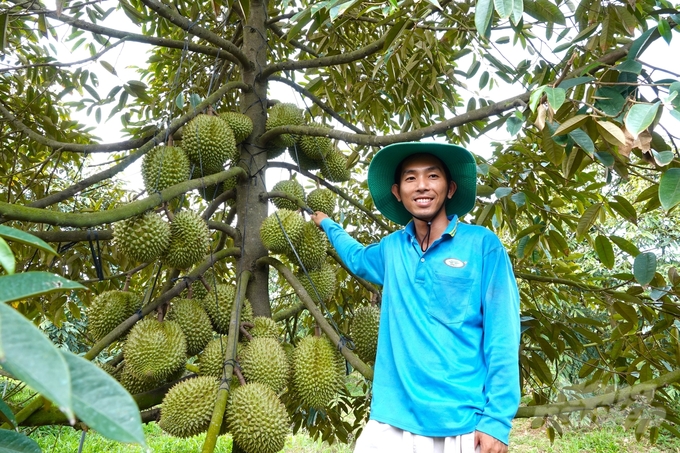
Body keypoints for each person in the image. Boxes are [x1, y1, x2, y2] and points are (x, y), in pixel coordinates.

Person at [311, 142, 520, 453]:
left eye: (432, 176)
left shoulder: (482, 246)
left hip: (460, 421)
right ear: (397, 192)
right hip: (391, 419)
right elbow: (356, 257)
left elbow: (502, 335)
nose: (422, 186)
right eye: (410, 178)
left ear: (450, 188)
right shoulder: (392, 248)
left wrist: (497, 420)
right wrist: (327, 224)